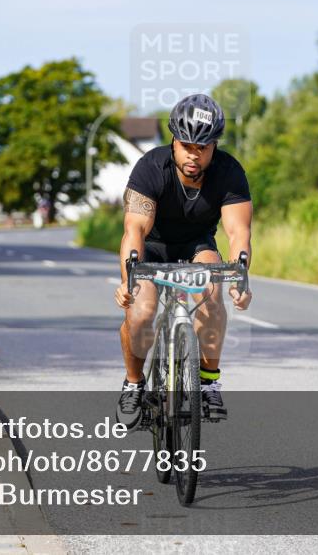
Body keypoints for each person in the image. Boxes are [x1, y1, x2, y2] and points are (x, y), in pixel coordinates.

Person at [113, 93, 253, 429]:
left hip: (196, 245)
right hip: (152, 247)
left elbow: (238, 233)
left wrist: (240, 278)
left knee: (212, 292)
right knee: (142, 312)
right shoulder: (150, 167)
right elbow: (135, 229)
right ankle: (133, 384)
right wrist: (128, 280)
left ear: (214, 146)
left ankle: (208, 383)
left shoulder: (229, 172)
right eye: (187, 145)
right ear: (174, 141)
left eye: (202, 147)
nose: (194, 154)